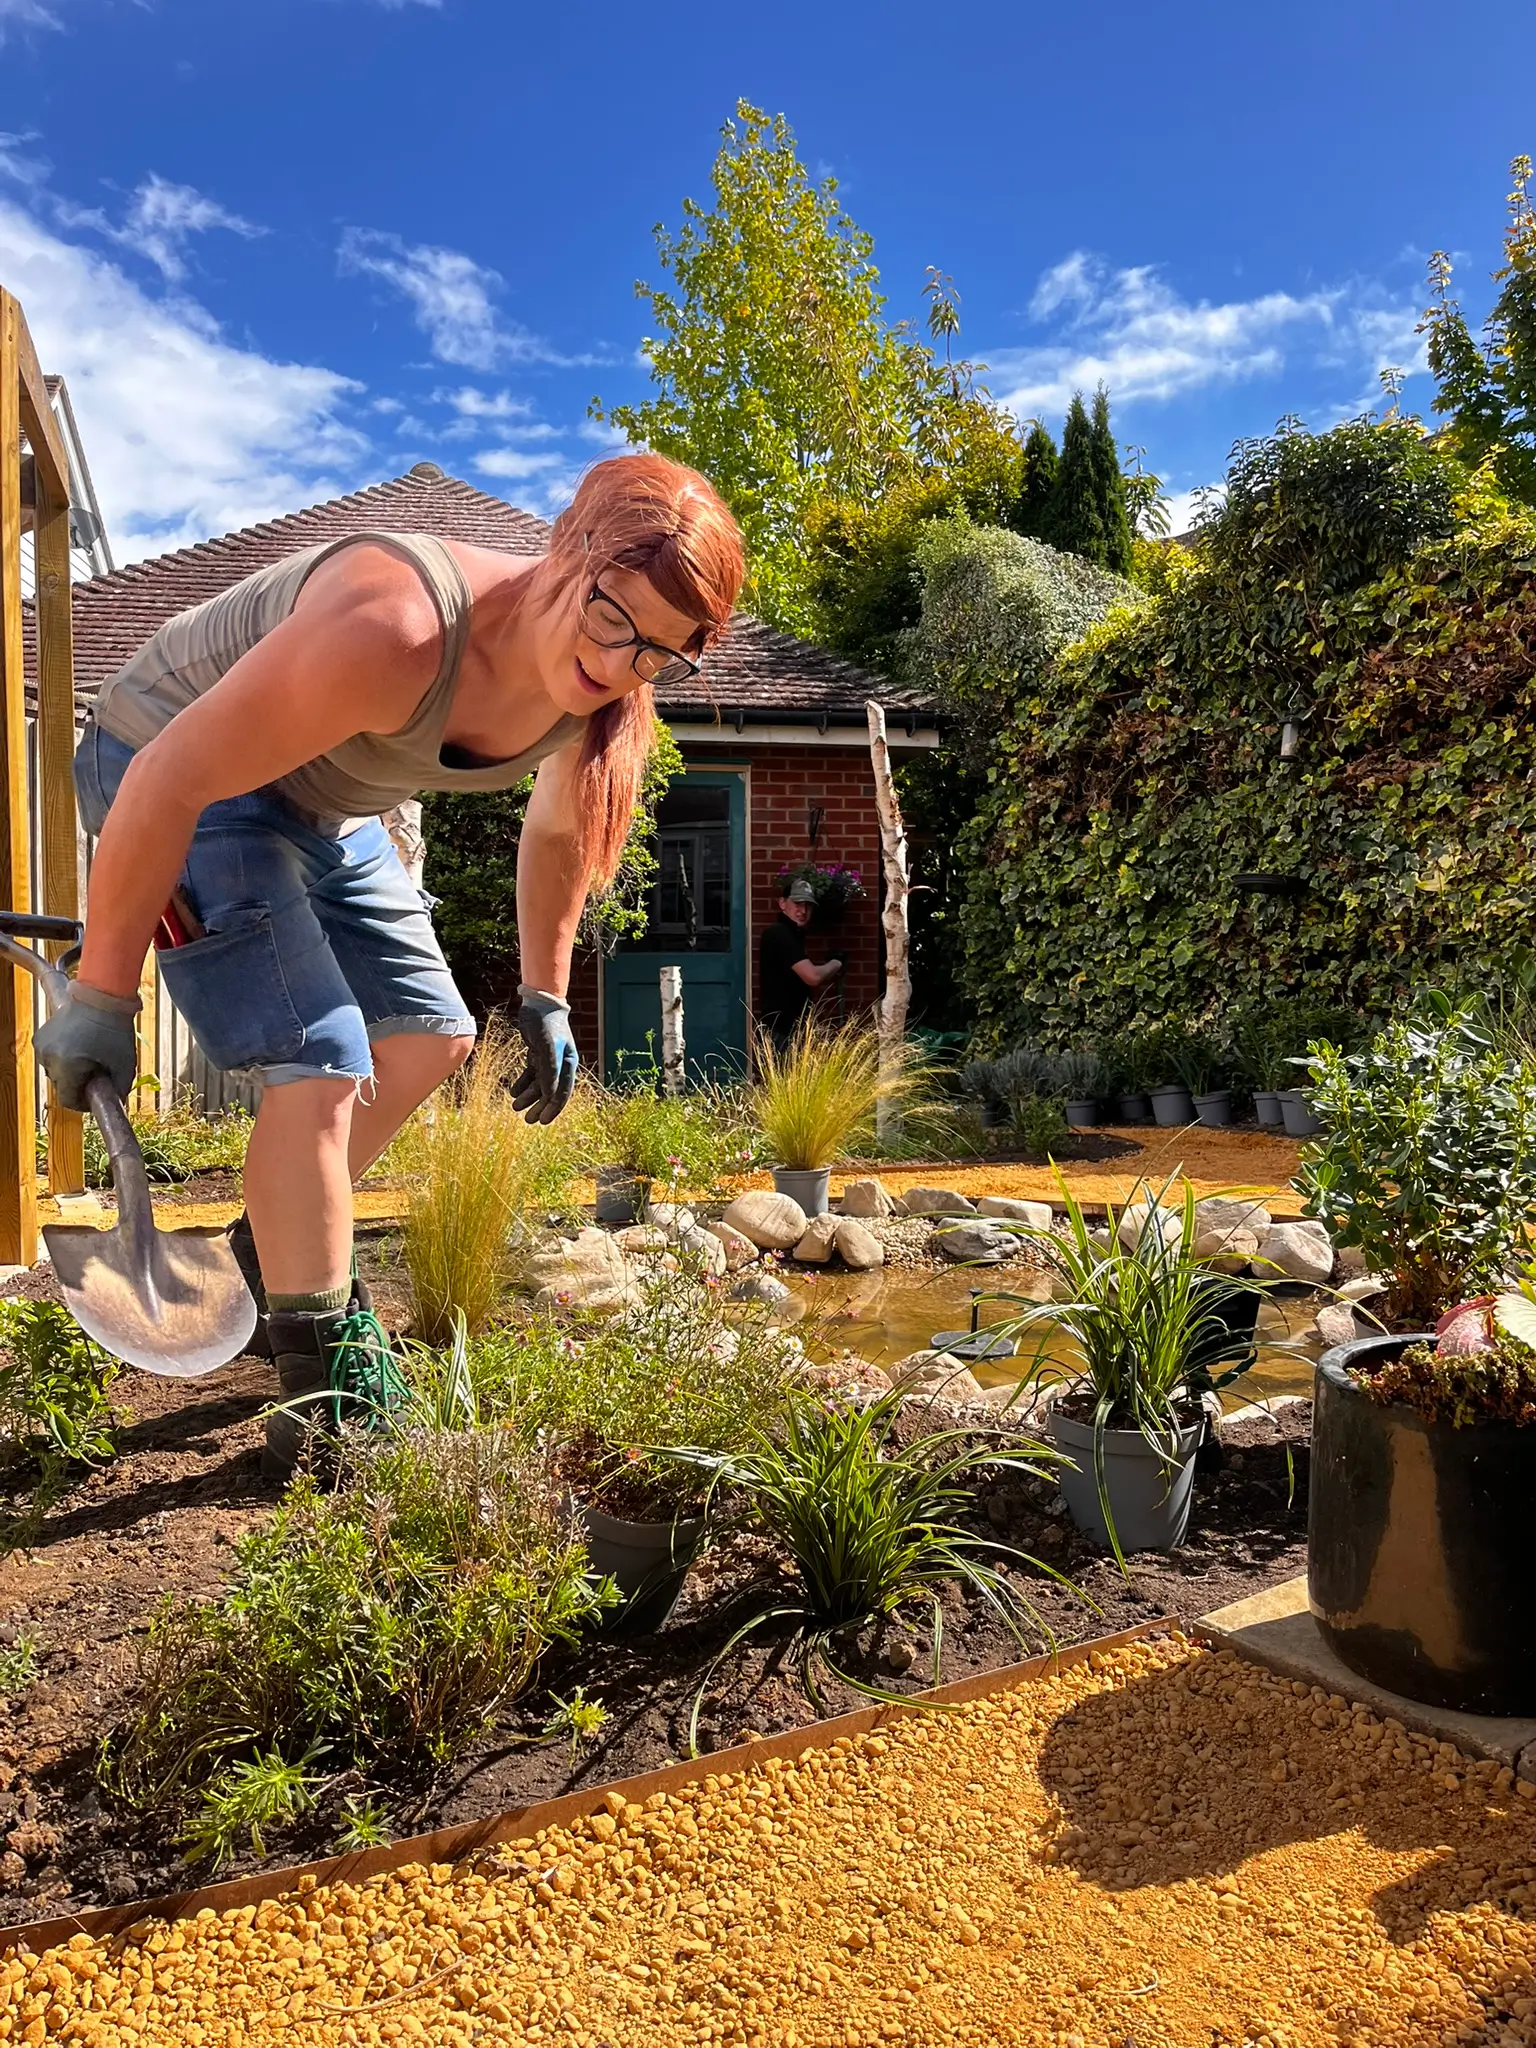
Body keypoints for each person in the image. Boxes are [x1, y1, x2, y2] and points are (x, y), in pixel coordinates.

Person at [36, 453, 744, 1475]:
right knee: (321, 1061)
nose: (622, 662)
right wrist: (102, 991)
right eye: (613, 616)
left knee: (431, 1034)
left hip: (320, 804)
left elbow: (555, 837)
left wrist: (545, 992)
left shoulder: (604, 688)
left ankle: (275, 1244)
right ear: (569, 548)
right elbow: (173, 774)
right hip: (162, 757)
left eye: (659, 653)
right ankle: (325, 1403)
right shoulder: (396, 627)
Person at [757, 879, 843, 1049]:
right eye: (797, 903)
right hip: (782, 1030)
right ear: (782, 903)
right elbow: (813, 976)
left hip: (790, 1028)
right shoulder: (780, 934)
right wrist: (836, 963)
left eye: (808, 906)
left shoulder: (792, 934)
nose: (803, 911)